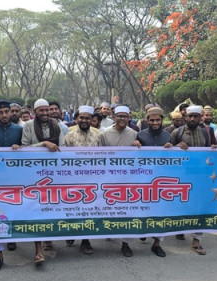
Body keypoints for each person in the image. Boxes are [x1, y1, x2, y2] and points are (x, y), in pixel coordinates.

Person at [21, 98, 65, 264]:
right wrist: (44, 144)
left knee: (50, 209)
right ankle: (38, 248)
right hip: (33, 177)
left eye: (47, 110)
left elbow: (62, 149)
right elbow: (23, 148)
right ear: (34, 112)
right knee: (35, 211)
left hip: (54, 175)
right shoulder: (27, 127)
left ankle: (49, 238)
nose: (45, 113)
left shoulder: (57, 126)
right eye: (41, 110)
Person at [170, 105, 217, 255]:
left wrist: (216, 148)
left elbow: (210, 150)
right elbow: (168, 153)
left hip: (201, 176)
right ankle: (181, 227)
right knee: (182, 204)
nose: (192, 119)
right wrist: (176, 147)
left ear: (200, 117)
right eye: (190, 116)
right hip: (182, 176)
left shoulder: (206, 132)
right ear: (185, 117)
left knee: (200, 206)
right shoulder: (177, 132)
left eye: (195, 116)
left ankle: (196, 240)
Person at [0, 99, 24, 272]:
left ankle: (12, 237)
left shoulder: (19, 130)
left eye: (6, 112)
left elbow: (27, 152)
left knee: (15, 211)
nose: (4, 115)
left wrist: (20, 147)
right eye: (0, 113)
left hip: (16, 179)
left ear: (11, 112)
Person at [132, 107, 172, 257]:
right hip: (143, 179)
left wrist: (171, 147)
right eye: (152, 120)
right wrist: (135, 145)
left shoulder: (168, 135)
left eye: (158, 120)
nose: (155, 123)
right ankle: (143, 230)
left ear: (162, 120)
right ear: (147, 120)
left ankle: (157, 243)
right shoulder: (140, 135)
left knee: (161, 210)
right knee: (143, 208)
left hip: (162, 180)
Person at [99, 105, 138, 257]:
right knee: (110, 207)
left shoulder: (134, 134)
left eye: (125, 116)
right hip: (109, 179)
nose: (122, 119)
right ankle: (110, 229)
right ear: (114, 117)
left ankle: (126, 243)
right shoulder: (105, 134)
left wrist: (138, 146)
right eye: (119, 116)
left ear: (129, 118)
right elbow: (100, 158)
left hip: (129, 179)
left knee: (127, 210)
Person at [63, 105, 101, 254]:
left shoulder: (98, 135)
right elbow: (64, 159)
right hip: (74, 179)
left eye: (87, 118)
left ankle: (85, 241)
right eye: (82, 118)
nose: (84, 120)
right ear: (77, 118)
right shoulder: (69, 136)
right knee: (73, 210)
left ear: (92, 120)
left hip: (93, 180)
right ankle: (71, 233)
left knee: (88, 211)